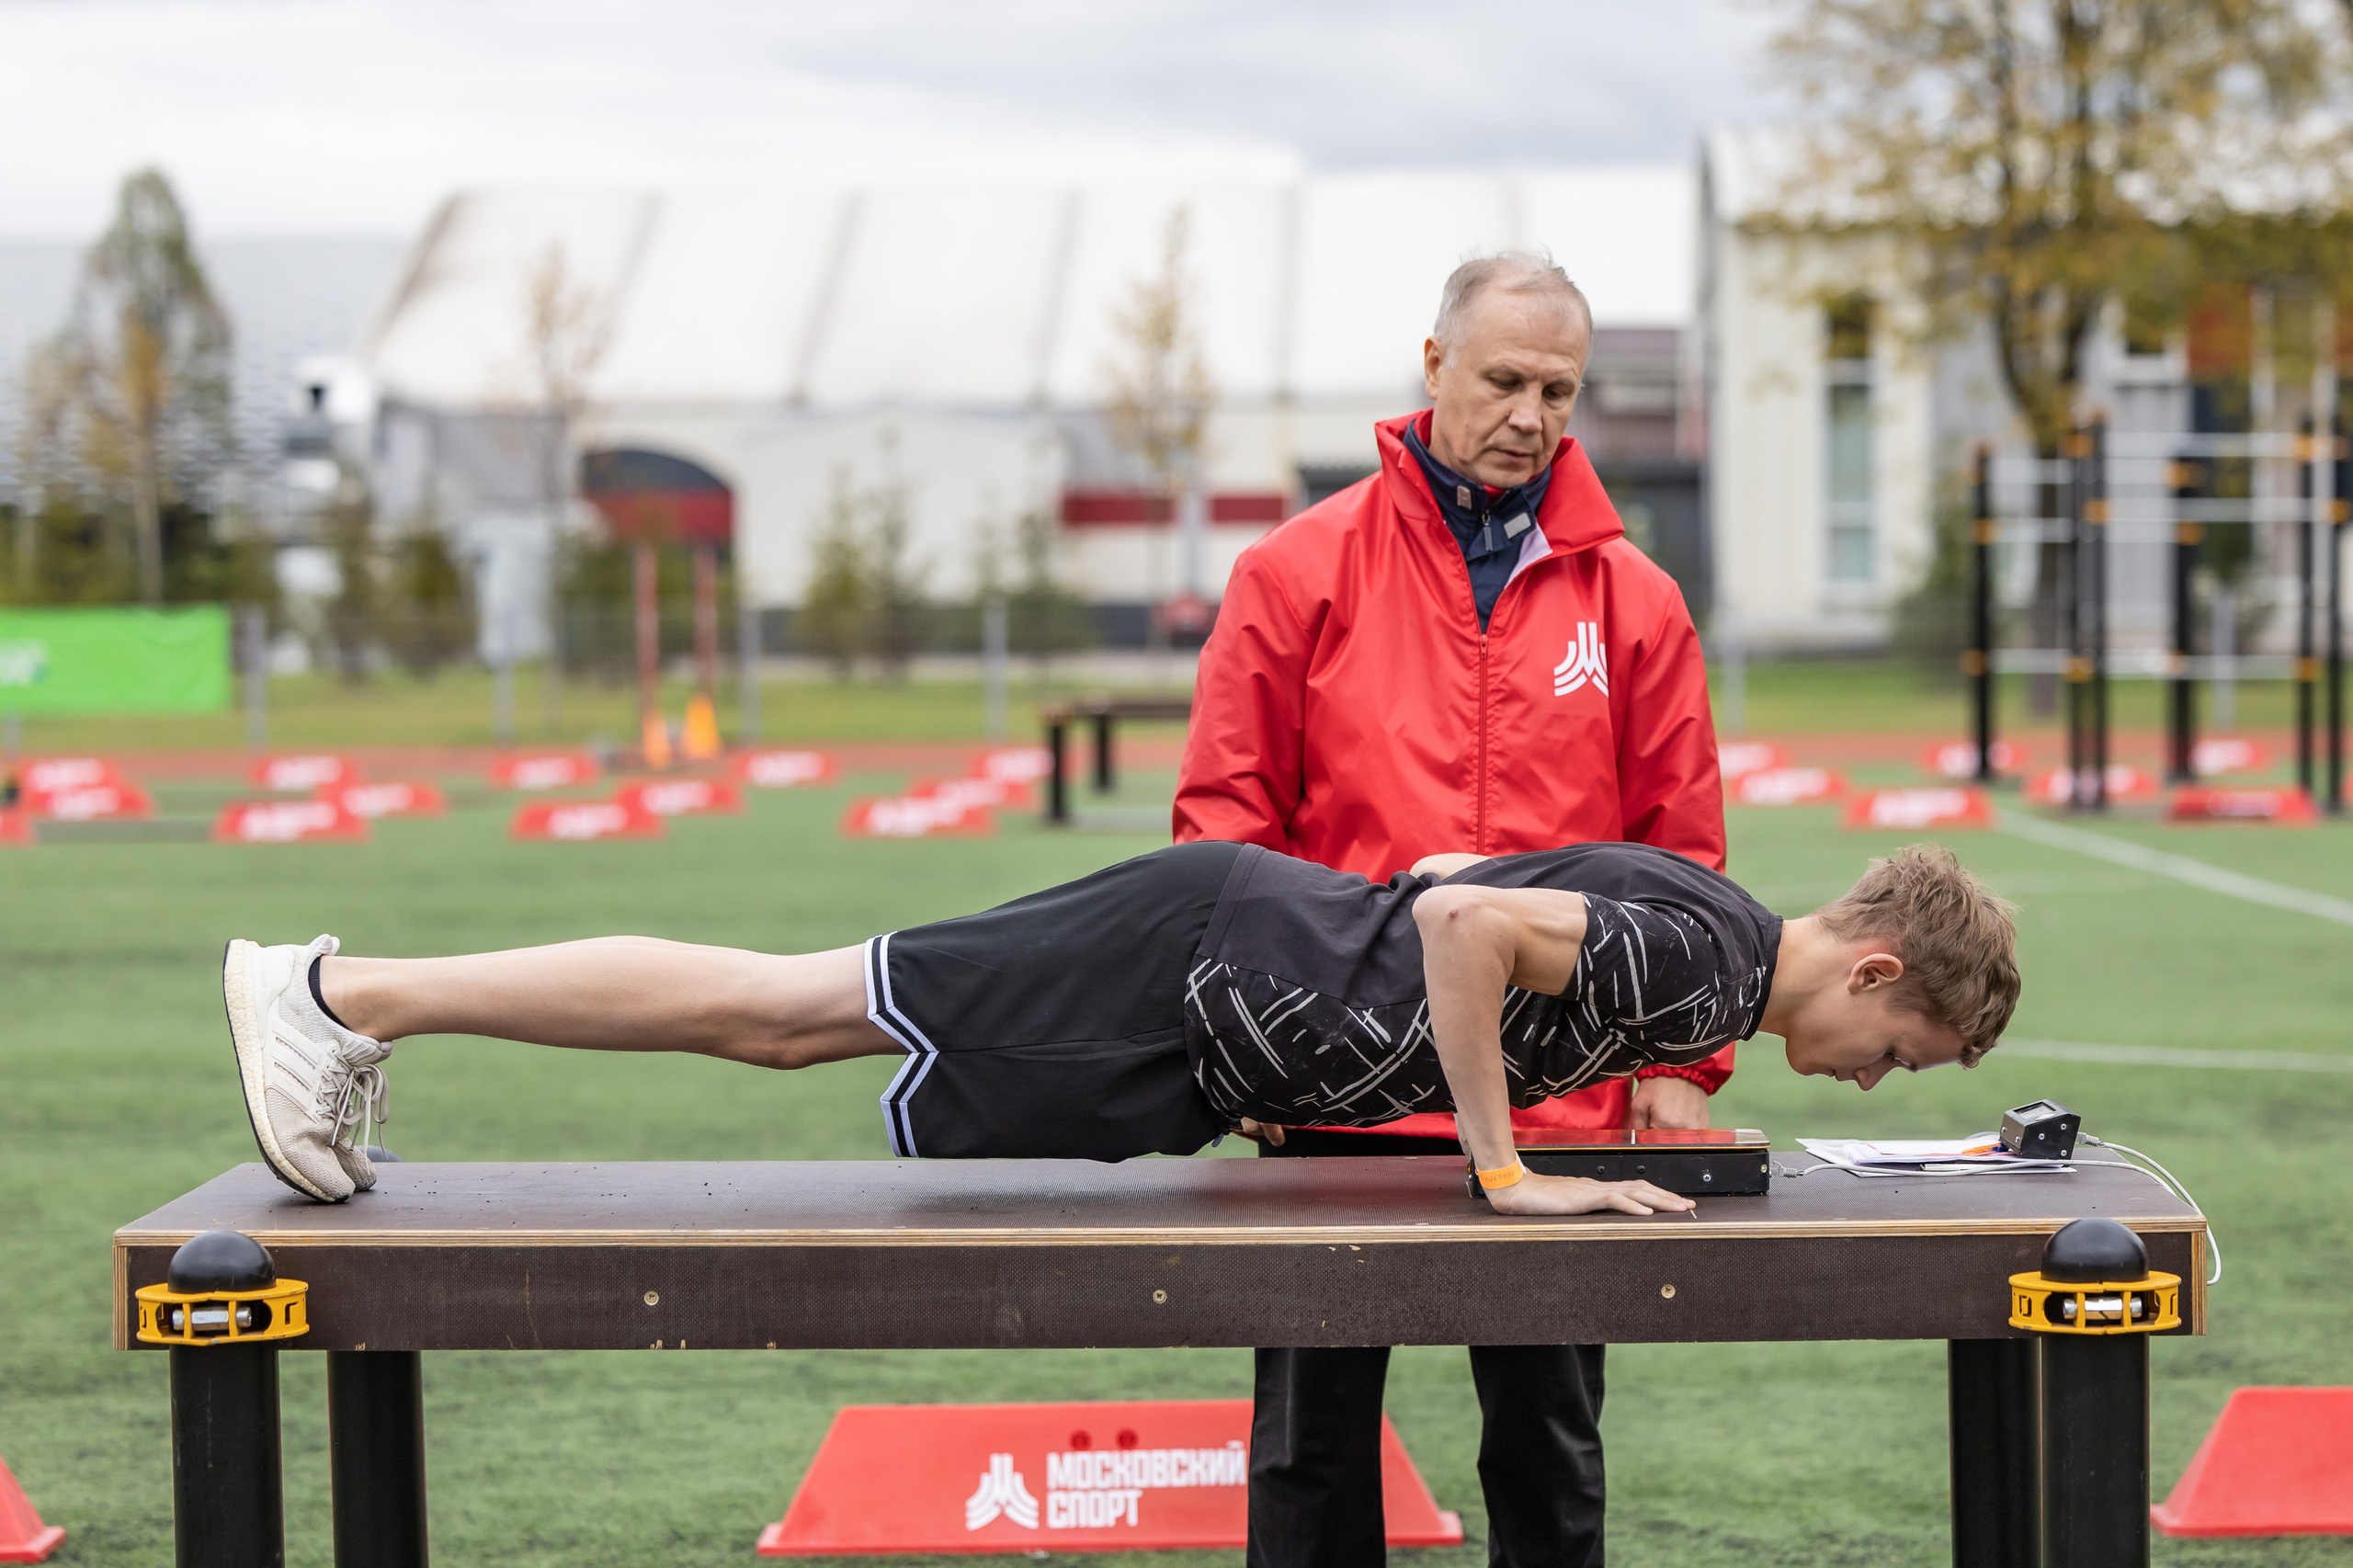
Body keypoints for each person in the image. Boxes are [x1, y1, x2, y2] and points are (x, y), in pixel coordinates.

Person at [1175, 250, 1723, 1566]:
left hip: (1558, 1085)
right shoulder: (1297, 571)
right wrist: (1246, 1033)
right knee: (1309, 1447)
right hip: (1339, 1075)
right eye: (1503, 378)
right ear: (1433, 369)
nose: (1530, 413)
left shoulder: (1636, 602)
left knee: (1549, 1445)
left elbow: (1683, 855)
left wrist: (1683, 1062)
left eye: (1559, 388)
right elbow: (1225, 818)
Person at [222, 840, 2017, 1208]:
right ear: (1873, 972)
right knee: (778, 1013)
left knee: (784, 1018)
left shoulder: (1701, 927)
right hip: (1179, 964)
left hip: (1203, 981)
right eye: (1902, 1055)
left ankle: (356, 999)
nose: (1876, 1079)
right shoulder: (1704, 965)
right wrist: (1500, 1170)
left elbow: (1456, 880)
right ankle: (341, 992)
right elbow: (1465, 919)